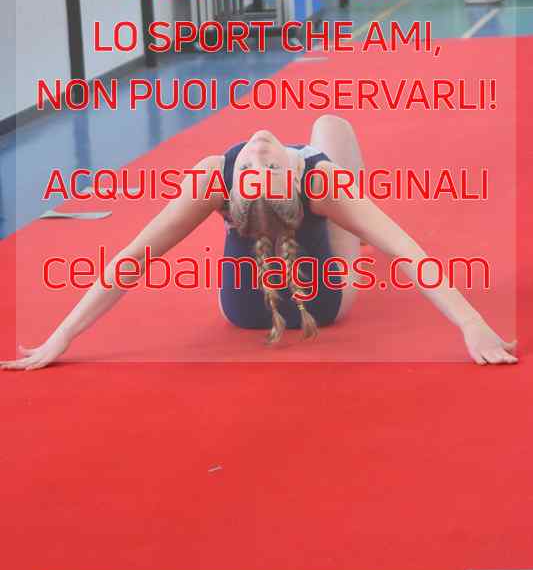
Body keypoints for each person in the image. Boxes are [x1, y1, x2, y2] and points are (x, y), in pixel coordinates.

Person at [0, 116, 518, 370]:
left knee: (327, 179)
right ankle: (352, 233)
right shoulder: (319, 180)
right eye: (260, 168)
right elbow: (407, 253)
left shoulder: (214, 175)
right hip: (323, 303)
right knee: (332, 128)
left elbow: (134, 258)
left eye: (256, 167)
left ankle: (338, 230)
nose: (257, 152)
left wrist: (63, 335)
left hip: (242, 309)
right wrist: (470, 321)